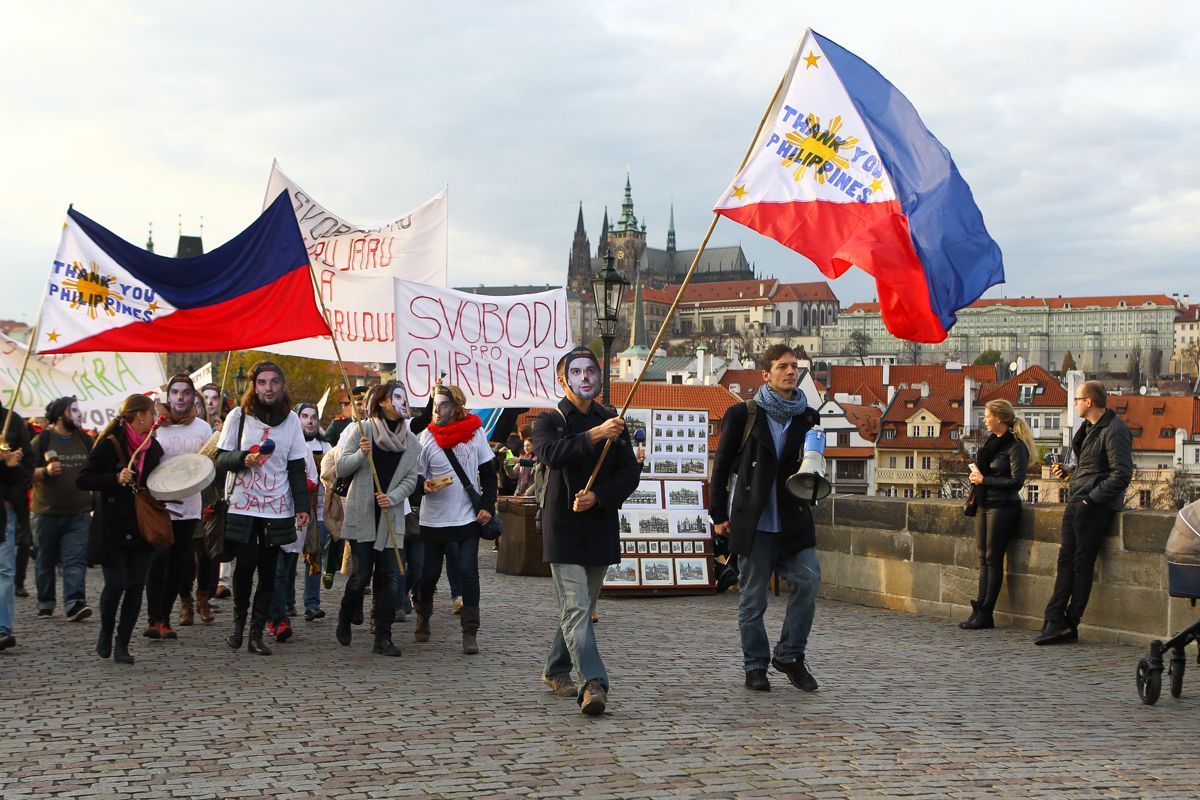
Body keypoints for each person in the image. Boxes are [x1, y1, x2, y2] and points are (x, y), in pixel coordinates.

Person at [709, 344, 822, 693]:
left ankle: (789, 655)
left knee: (808, 581)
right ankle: (755, 665)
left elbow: (812, 464)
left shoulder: (808, 416)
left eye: (794, 366)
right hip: (754, 521)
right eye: (783, 366)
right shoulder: (743, 414)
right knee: (753, 599)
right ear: (766, 374)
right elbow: (722, 467)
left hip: (793, 519)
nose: (791, 371)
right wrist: (718, 514)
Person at [534, 346, 640, 715]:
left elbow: (629, 474)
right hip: (562, 527)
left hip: (599, 524)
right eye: (577, 373)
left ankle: (555, 668)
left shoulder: (614, 420)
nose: (586, 378)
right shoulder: (550, 421)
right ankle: (594, 682)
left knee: (579, 607)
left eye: (591, 371)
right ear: (563, 381)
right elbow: (551, 455)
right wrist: (595, 435)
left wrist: (599, 496)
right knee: (578, 608)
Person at [214, 361, 311, 656]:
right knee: (244, 567)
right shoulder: (238, 416)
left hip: (277, 506)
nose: (268, 388)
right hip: (243, 504)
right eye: (262, 383)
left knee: (270, 572)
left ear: (282, 385)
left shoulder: (292, 420)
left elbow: (296, 467)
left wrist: (301, 506)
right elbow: (220, 457)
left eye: (274, 382)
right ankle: (239, 625)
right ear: (254, 386)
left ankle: (257, 634)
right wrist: (243, 458)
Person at [1035, 380, 1133, 645]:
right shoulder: (1090, 429)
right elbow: (1092, 468)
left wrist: (1092, 498)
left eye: (1077, 400)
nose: (1075, 404)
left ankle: (1069, 621)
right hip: (1079, 500)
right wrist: (1071, 472)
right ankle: (1054, 620)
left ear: (1089, 401)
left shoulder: (1114, 429)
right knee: (1066, 561)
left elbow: (1122, 474)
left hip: (1094, 506)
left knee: (1081, 563)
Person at [76, 394, 164, 664]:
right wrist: (114, 478)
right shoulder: (110, 444)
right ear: (139, 416)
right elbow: (84, 479)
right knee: (116, 583)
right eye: (151, 414)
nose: (154, 418)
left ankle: (122, 643)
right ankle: (106, 631)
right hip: (112, 526)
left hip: (141, 525)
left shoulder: (154, 448)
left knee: (136, 585)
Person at [334, 381, 419, 656]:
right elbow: (341, 466)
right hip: (362, 514)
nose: (402, 402)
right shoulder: (364, 430)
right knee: (360, 576)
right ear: (382, 402)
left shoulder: (412, 442)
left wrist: (393, 497)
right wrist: (362, 453)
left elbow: (411, 479)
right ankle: (346, 614)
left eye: (404, 398)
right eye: (397, 397)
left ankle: (383, 636)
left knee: (391, 578)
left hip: (390, 516)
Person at [413, 384, 495, 655]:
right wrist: (424, 485)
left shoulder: (474, 434)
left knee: (468, 572)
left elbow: (488, 472)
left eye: (444, 405)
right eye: (435, 404)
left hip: (466, 517)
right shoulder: (425, 437)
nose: (437, 410)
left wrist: (488, 506)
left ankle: (470, 631)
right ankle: (423, 614)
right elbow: (415, 477)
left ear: (456, 408)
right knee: (428, 575)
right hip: (434, 519)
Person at [143, 375, 213, 638]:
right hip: (158, 505)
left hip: (189, 506)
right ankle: (153, 618)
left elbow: (209, 465)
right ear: (168, 396)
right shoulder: (156, 426)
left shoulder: (203, 429)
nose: (180, 397)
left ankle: (164, 618)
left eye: (185, 392)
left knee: (178, 564)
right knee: (157, 562)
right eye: (175, 392)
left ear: (193, 397)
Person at [960, 399, 1035, 630]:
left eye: (987, 415)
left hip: (1003, 507)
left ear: (1000, 418)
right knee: (983, 558)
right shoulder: (992, 442)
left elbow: (1016, 481)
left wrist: (985, 479)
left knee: (993, 558)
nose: (984, 420)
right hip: (984, 503)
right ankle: (980, 609)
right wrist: (977, 477)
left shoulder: (1016, 446)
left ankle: (986, 612)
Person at [29, 396, 95, 622]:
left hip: (78, 513)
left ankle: (74, 603)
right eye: (73, 410)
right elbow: (25, 473)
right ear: (60, 415)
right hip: (46, 513)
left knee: (75, 560)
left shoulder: (86, 441)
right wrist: (45, 471)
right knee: (45, 560)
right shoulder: (43, 440)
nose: (79, 414)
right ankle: (46, 603)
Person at [0, 399, 31, 652]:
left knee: (4, 571)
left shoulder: (11, 420)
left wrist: (12, 497)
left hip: (4, 509)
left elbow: (25, 468)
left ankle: (2, 628)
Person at [296, 403, 332, 622]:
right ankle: (287, 602)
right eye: (305, 416)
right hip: (294, 510)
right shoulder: (293, 444)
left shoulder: (327, 446)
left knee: (314, 556)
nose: (309, 421)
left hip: (319, 511)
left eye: (313, 417)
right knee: (288, 559)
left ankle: (312, 603)